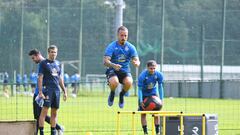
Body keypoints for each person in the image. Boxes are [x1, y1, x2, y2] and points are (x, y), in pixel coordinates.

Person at [28, 48, 65, 135]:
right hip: (39, 93)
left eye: (33, 58)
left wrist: (41, 92)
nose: (33, 60)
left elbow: (55, 79)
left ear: (37, 55)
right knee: (38, 114)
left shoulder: (45, 64)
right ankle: (57, 128)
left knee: (40, 114)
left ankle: (57, 128)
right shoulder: (43, 64)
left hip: (43, 94)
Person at [103, 26, 140, 108]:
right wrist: (113, 65)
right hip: (113, 70)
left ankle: (121, 95)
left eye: (125, 35)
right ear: (118, 35)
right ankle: (112, 93)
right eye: (122, 35)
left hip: (125, 71)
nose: (123, 37)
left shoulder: (131, 47)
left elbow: (137, 60)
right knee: (114, 82)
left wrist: (136, 63)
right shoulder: (112, 46)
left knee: (129, 82)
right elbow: (105, 61)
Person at [37, 45, 67, 135]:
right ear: (48, 52)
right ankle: (41, 132)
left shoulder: (58, 63)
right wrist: (40, 92)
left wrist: (64, 91)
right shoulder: (43, 63)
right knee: (44, 113)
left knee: (54, 113)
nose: (53, 54)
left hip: (56, 91)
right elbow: (40, 78)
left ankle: (53, 132)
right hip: (47, 90)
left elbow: (60, 78)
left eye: (55, 52)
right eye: (52, 52)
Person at [138, 60, 164, 135]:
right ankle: (145, 132)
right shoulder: (142, 76)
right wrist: (140, 100)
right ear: (147, 68)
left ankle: (157, 132)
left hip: (153, 94)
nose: (152, 70)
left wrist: (161, 99)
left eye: (154, 68)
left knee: (156, 113)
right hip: (143, 95)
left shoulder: (159, 74)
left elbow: (160, 87)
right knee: (143, 114)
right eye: (151, 68)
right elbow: (139, 89)